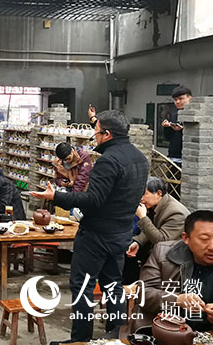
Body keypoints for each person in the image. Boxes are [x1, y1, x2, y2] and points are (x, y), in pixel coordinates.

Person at [30, 110, 149, 344]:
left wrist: (56, 197)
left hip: (97, 235)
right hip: (121, 233)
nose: (94, 136)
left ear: (107, 134)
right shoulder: (139, 158)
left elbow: (93, 199)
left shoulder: (109, 160)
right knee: (113, 285)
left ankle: (81, 339)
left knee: (82, 285)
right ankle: (116, 336)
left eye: (96, 131)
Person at [127, 210, 213, 334]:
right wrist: (177, 299)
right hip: (164, 332)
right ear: (186, 238)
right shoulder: (163, 253)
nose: (211, 247)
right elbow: (144, 293)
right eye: (204, 239)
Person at [123, 176, 190, 284]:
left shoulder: (176, 213)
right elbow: (150, 229)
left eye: (144, 194)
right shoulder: (155, 204)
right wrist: (138, 242)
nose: (141, 198)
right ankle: (130, 285)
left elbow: (162, 241)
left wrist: (143, 217)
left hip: (172, 254)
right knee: (126, 248)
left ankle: (139, 286)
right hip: (156, 248)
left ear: (159, 193)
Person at [162, 85, 192, 164]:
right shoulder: (174, 116)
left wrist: (182, 130)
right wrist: (167, 127)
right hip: (173, 157)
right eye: (175, 100)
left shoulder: (198, 116)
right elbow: (168, 137)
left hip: (189, 158)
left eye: (181, 98)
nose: (178, 102)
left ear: (189, 98)